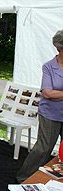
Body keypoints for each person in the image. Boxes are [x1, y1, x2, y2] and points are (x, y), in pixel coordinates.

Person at [16, 30, 63, 183]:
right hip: (50, 113)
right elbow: (48, 93)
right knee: (44, 147)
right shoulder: (49, 67)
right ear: (60, 48)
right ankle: (24, 177)